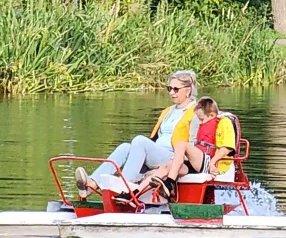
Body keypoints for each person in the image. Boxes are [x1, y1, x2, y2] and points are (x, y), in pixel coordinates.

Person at [74, 70, 199, 199]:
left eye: (176, 89)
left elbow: (195, 145)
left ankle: (124, 187)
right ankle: (91, 184)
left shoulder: (195, 112)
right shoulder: (169, 111)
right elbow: (155, 138)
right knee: (125, 148)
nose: (171, 93)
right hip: (157, 154)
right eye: (169, 88)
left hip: (173, 157)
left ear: (188, 90)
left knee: (139, 141)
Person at [131, 97, 235, 200]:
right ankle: (134, 194)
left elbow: (227, 148)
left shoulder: (224, 122)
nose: (200, 122)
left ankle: (170, 182)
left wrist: (213, 162)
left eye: (201, 119)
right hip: (198, 162)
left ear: (212, 115)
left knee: (181, 144)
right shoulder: (203, 124)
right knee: (165, 167)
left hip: (212, 164)